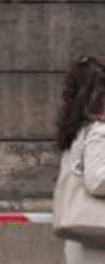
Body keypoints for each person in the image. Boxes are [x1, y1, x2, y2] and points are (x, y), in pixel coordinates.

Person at [56, 56, 105, 264]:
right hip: (98, 238)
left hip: (81, 232)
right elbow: (98, 181)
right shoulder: (98, 132)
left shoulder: (74, 132)